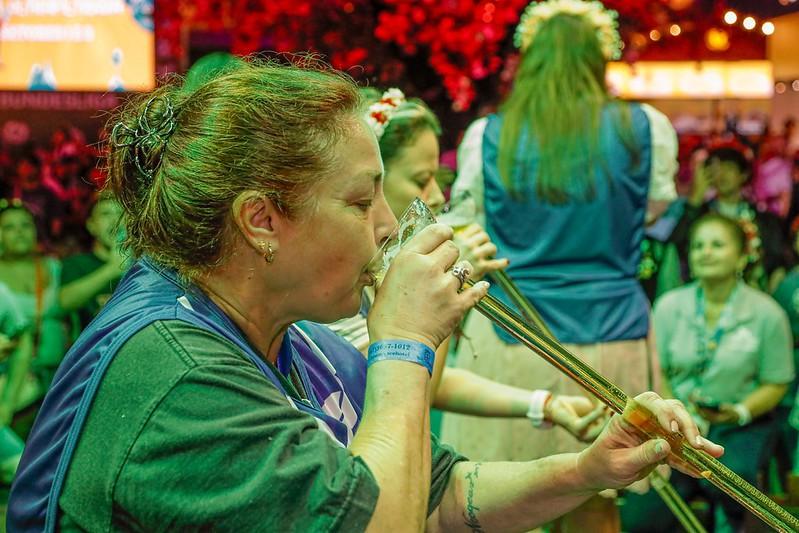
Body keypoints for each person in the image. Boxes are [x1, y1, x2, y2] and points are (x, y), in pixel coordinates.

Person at [9, 58, 721, 532]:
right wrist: (403, 344)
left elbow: (438, 495)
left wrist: (585, 467)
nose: (388, 228)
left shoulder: (290, 338)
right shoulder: (180, 373)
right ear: (261, 221)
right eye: (361, 199)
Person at [440, 1, 678, 529]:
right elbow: (654, 207)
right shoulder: (644, 128)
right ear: (599, 59)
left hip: (516, 337)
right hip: (612, 333)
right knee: (597, 497)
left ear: (528, 60)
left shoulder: (490, 135)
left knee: (498, 500)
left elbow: (465, 219)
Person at [327, 87, 606, 439]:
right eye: (420, 180)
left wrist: (543, 404)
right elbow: (417, 393)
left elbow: (407, 368)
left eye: (437, 178)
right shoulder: (340, 282)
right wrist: (445, 282)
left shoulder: (382, 268)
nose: (436, 196)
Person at [622, 213, 793, 532]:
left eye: (717, 244)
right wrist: (674, 413)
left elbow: (777, 381)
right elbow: (657, 370)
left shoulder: (767, 314)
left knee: (731, 483)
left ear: (742, 255)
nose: (705, 252)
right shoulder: (669, 306)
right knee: (641, 516)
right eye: (698, 245)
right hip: (676, 425)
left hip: (740, 425)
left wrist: (739, 411)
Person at [672, 145, 790, 292]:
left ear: (743, 175)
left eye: (728, 168)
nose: (722, 175)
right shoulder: (700, 216)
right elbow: (677, 247)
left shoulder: (764, 220)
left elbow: (777, 260)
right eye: (716, 169)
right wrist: (696, 196)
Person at [0, 200, 66, 391]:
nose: (19, 232)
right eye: (9, 227)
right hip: (10, 383)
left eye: (25, 225)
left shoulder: (55, 267)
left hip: (58, 378)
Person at [59, 192, 127, 340]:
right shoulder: (76, 264)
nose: (115, 220)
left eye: (121, 214)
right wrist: (112, 269)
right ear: (91, 226)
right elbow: (65, 302)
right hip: (93, 354)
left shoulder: (142, 265)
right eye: (105, 214)